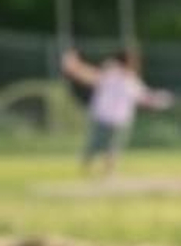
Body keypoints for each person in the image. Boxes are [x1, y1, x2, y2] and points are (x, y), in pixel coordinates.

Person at [60, 48, 172, 176]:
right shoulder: (111, 74)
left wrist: (158, 101)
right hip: (102, 117)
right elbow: (89, 76)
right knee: (94, 145)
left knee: (113, 148)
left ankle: (108, 173)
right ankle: (85, 170)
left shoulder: (131, 80)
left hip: (120, 120)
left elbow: (142, 97)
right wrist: (74, 66)